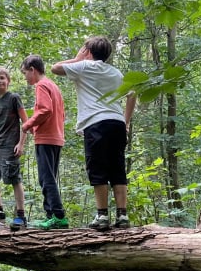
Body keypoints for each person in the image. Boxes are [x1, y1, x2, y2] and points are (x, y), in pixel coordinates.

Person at [51, 36, 136, 231]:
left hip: (96, 124)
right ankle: (122, 215)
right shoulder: (116, 72)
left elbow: (55, 68)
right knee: (117, 167)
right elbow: (133, 94)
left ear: (88, 51)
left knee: (97, 168)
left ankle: (102, 215)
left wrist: (78, 58)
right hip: (116, 123)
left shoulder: (84, 67)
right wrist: (126, 121)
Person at [20, 55, 68, 229]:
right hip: (56, 137)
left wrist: (28, 124)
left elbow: (45, 109)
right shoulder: (53, 85)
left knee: (46, 178)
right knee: (49, 178)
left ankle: (58, 215)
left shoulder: (41, 85)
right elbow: (60, 113)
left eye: (25, 73)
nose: (25, 77)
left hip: (47, 138)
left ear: (33, 69)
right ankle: (51, 216)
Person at [0, 66, 28, 231]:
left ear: (8, 80)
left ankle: (21, 216)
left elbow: (26, 122)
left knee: (14, 179)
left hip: (10, 146)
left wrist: (21, 143)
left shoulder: (13, 98)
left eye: (2, 78)